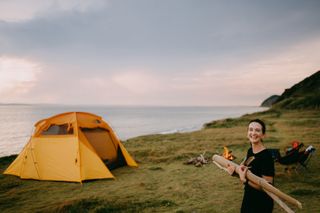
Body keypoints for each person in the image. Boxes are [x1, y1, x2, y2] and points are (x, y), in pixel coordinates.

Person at [227, 119, 275, 213]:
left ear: (263, 135)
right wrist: (235, 173)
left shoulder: (267, 157)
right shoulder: (250, 151)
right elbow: (245, 172)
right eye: (251, 129)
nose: (253, 133)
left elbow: (268, 187)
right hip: (249, 196)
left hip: (262, 203)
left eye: (257, 130)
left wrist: (245, 181)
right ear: (247, 133)